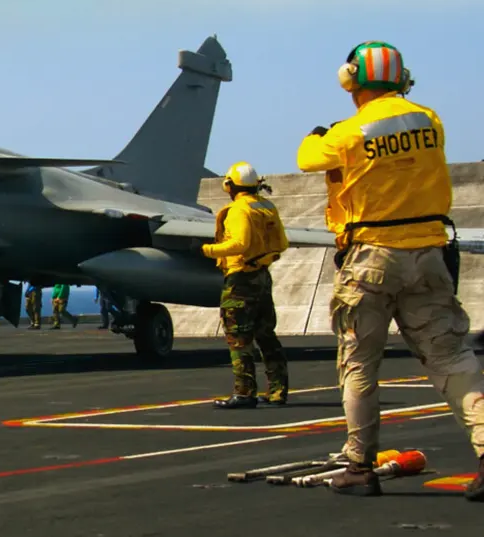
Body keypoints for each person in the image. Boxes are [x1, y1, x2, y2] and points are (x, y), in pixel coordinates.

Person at [296, 40, 484, 499]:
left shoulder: (348, 133)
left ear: (350, 80)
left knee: (359, 363)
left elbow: (307, 159)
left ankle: (360, 466)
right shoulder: (429, 119)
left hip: (371, 257)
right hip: (429, 255)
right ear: (401, 79)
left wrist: (321, 133)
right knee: (454, 360)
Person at [199, 162, 290, 409]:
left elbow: (239, 243)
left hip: (240, 279)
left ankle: (244, 392)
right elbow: (282, 243)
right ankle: (278, 391)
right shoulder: (266, 207)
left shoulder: (239, 210)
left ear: (229, 185)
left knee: (238, 338)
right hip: (262, 275)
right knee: (266, 335)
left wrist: (207, 250)